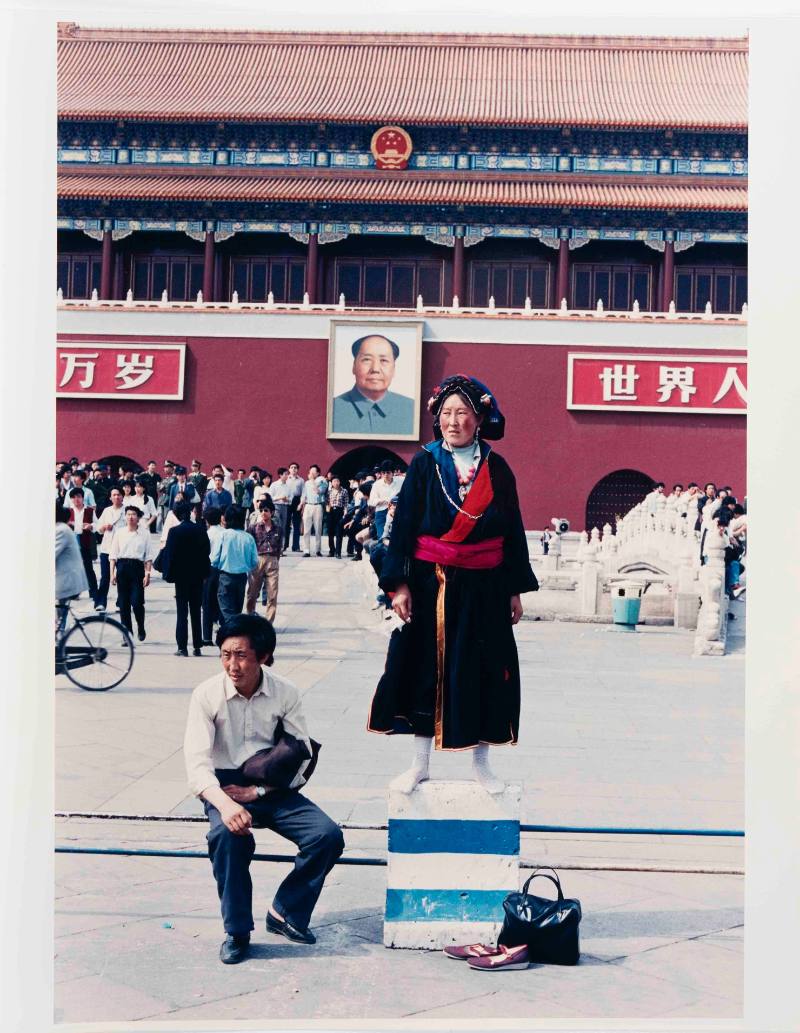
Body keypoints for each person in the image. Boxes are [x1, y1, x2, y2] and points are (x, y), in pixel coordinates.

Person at [367, 374, 538, 795]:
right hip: (430, 586)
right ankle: (419, 764)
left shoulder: (497, 469)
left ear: (479, 418)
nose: (454, 421)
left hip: (486, 588)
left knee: (484, 670)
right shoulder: (425, 463)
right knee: (425, 670)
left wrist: (514, 587)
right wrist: (398, 587)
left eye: (463, 412)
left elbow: (512, 529)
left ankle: (482, 765)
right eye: (446, 413)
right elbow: (403, 527)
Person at [183, 613, 344, 964]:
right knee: (228, 839)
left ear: (263, 656)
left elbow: (301, 754)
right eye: (225, 654)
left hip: (271, 783)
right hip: (223, 786)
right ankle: (237, 932)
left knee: (327, 836)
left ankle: (286, 911)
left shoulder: (285, 692)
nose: (232, 665)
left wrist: (259, 794)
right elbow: (196, 766)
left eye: (241, 655)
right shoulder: (206, 695)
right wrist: (227, 805)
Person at [331, 334, 415, 435]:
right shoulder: (332, 409)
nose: (375, 369)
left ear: (394, 369)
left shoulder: (411, 410)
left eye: (384, 360)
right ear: (354, 366)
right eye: (367, 359)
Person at [161, 501, 211, 657]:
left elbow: (169, 555)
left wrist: (169, 575)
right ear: (190, 512)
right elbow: (206, 552)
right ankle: (197, 646)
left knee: (182, 613)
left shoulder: (174, 532)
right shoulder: (200, 529)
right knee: (196, 611)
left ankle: (182, 647)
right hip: (197, 577)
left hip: (181, 578)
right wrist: (204, 573)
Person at [110, 504, 155, 641]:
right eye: (128, 514)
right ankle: (127, 633)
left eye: (133, 514)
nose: (130, 517)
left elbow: (148, 557)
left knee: (137, 602)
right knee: (123, 604)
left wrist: (147, 574)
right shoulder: (119, 533)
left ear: (139, 517)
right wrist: (112, 574)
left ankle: (140, 626)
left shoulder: (144, 533)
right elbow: (113, 555)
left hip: (137, 568)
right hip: (122, 567)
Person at [211, 505, 259, 623]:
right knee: (237, 611)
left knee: (227, 611)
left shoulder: (223, 535)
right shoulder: (248, 538)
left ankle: (231, 634)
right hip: (241, 578)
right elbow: (254, 562)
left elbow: (214, 559)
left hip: (225, 576)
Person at [246, 502, 283, 621]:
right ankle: (250, 616)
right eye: (261, 510)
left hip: (272, 560)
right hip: (258, 560)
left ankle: (269, 622)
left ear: (271, 512)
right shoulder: (253, 527)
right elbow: (249, 544)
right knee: (252, 593)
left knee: (272, 594)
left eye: (266, 510)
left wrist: (275, 560)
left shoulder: (278, 529)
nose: (263, 513)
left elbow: (279, 546)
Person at [55, 502, 89, 629]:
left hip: (67, 581)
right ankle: (59, 639)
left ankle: (59, 639)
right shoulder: (60, 528)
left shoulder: (61, 530)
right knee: (58, 616)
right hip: (63, 579)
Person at [95, 486, 126, 611]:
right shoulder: (107, 511)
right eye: (114, 495)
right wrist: (104, 527)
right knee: (105, 577)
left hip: (122, 549)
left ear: (122, 496)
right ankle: (100, 602)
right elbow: (98, 528)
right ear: (110, 497)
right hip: (107, 548)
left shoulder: (127, 510)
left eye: (118, 494)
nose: (116, 497)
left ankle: (121, 603)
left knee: (122, 577)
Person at [66, 487, 99, 605]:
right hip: (71, 543)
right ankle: (74, 593)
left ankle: (94, 592)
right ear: (71, 499)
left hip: (85, 540)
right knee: (73, 568)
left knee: (88, 568)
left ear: (82, 498)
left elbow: (97, 524)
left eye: (78, 497)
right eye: (73, 497)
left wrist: (91, 526)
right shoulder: (68, 511)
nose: (76, 499)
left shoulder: (89, 510)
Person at [202, 506, 224, 646]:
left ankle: (207, 637)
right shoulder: (225, 533)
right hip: (223, 569)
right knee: (221, 602)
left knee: (207, 603)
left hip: (209, 569)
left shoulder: (207, 534)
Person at [300, 464, 326, 557]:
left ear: (318, 473)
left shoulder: (322, 480)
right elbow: (304, 495)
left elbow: (319, 491)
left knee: (318, 528)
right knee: (306, 530)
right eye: (311, 471)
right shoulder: (306, 483)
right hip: (308, 506)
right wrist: (301, 504)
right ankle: (306, 550)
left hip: (318, 506)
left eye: (314, 471)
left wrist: (312, 481)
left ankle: (318, 550)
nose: (311, 472)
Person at [367, 460, 396, 540]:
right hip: (381, 512)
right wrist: (385, 500)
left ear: (392, 473)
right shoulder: (377, 485)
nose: (386, 475)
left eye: (388, 472)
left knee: (396, 538)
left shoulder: (400, 481)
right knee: (382, 537)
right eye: (383, 473)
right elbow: (371, 501)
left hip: (396, 512)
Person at [325, 475, 349, 558]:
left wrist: (345, 512)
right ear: (331, 483)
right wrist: (327, 507)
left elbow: (346, 503)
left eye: (337, 481)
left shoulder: (344, 491)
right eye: (334, 481)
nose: (336, 483)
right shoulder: (329, 491)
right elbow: (326, 502)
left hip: (339, 512)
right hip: (330, 512)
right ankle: (332, 550)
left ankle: (338, 552)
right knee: (330, 533)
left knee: (339, 532)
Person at [269, 467, 292, 543]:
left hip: (285, 507)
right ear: (280, 475)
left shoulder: (288, 486)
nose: (287, 476)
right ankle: (274, 545)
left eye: (287, 474)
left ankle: (281, 547)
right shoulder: (274, 485)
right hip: (276, 507)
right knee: (276, 526)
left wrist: (287, 499)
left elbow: (291, 498)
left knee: (283, 527)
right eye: (285, 474)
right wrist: (280, 498)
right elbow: (270, 497)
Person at [285, 462, 304, 552]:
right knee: (286, 524)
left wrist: (301, 504)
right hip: (287, 501)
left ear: (297, 469)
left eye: (295, 467)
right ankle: (284, 545)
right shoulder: (286, 479)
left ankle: (296, 546)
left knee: (296, 525)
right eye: (292, 467)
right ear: (289, 469)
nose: (293, 469)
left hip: (297, 501)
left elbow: (303, 493)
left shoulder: (301, 480)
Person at [157, 460, 177, 532]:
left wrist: (163, 487)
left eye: (167, 467)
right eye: (164, 467)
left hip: (169, 500)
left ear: (172, 469)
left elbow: (168, 489)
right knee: (162, 518)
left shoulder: (174, 478)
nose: (165, 469)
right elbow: (159, 488)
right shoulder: (165, 479)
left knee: (167, 518)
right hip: (163, 500)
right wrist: (162, 487)